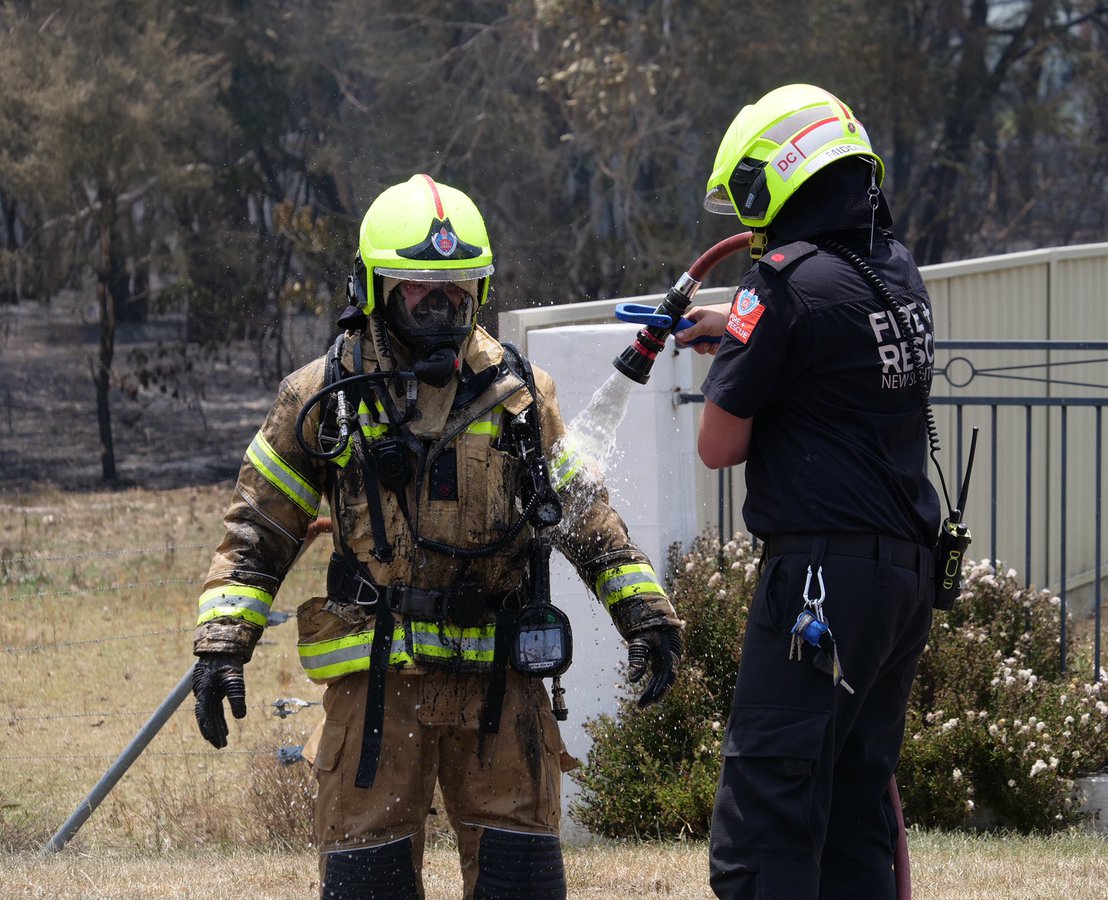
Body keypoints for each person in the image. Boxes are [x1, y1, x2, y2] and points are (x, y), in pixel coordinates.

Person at [190, 174, 683, 900]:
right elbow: (256, 535)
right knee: (370, 887)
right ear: (373, 288)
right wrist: (221, 647)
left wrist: (645, 613)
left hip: (502, 690)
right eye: (420, 287)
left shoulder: (521, 393)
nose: (443, 304)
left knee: (522, 886)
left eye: (459, 287)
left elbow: (586, 516)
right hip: (376, 692)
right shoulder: (320, 398)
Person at [675, 84, 940, 899]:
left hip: (816, 584)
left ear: (779, 181)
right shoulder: (897, 272)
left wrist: (743, 336)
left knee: (771, 807)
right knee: (856, 805)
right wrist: (746, 329)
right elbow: (835, 350)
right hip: (900, 580)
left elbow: (719, 446)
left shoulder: (778, 285)